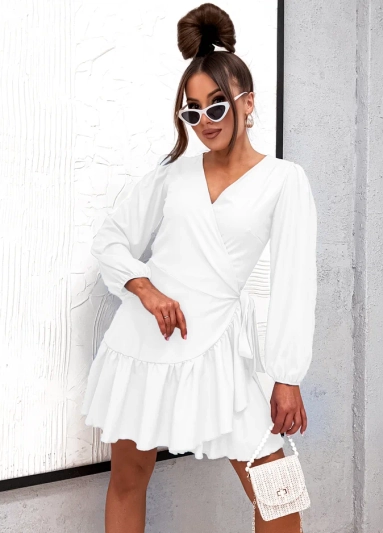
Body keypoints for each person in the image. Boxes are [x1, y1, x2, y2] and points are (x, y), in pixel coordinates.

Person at [81, 3, 318, 532]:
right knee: (127, 481)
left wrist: (287, 376)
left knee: (278, 494)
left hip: (221, 354)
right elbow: (111, 239)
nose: (205, 121)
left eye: (216, 106)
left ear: (247, 102)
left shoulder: (284, 181)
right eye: (193, 111)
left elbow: (295, 283)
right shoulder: (172, 177)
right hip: (143, 345)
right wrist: (145, 289)